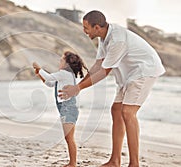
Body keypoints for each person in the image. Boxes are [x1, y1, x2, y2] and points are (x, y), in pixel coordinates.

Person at [59, 10, 166, 167]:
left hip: (144, 70)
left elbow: (104, 72)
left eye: (86, 27)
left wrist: (78, 88)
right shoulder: (104, 38)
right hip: (129, 75)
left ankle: (134, 164)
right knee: (116, 110)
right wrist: (78, 86)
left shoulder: (117, 40)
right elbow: (98, 65)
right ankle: (115, 161)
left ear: (97, 27)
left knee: (128, 112)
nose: (84, 31)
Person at [33, 51, 88, 167]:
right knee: (68, 137)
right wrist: (40, 74)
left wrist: (40, 68)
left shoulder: (64, 74)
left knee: (69, 138)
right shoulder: (64, 75)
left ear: (67, 64)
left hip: (68, 108)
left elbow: (48, 76)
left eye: (62, 60)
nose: (59, 61)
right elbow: (50, 83)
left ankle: (73, 163)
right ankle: (71, 162)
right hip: (65, 108)